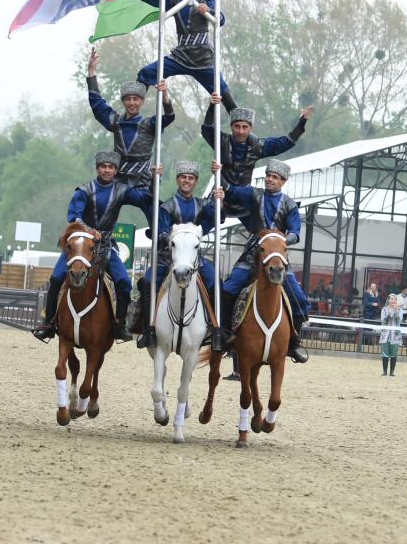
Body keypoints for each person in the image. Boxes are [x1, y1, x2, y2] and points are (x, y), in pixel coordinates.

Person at [32, 151, 144, 343]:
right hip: (79, 246)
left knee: (124, 282)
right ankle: (49, 322)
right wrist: (89, 230)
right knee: (56, 277)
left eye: (110, 167)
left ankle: (120, 323)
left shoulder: (121, 190)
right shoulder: (84, 190)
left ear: (115, 170)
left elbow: (143, 199)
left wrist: (154, 178)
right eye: (103, 166)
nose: (107, 170)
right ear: (97, 168)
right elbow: (74, 216)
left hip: (105, 246)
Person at [106, 0, 240, 111]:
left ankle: (243, 128)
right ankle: (132, 115)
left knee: (223, 92)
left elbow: (221, 20)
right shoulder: (175, 0)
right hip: (180, 56)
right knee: (146, 73)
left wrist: (209, 11)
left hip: (203, 60)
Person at [214, 159, 310, 363]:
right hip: (252, 254)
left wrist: (283, 240)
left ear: (283, 181)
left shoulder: (290, 205)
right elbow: (231, 189)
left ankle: (294, 343)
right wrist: (219, 171)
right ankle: (223, 335)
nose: (270, 180)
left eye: (274, 177)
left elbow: (295, 233)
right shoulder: (254, 194)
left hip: (276, 256)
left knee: (300, 300)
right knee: (227, 290)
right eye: (268, 176)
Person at [128, 160, 220, 351]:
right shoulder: (168, 206)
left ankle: (217, 329)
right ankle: (148, 329)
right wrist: (172, 238)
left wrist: (218, 198)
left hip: (195, 260)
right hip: (168, 258)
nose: (187, 181)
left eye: (191, 178)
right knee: (146, 282)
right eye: (184, 177)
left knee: (216, 282)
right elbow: (161, 231)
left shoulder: (202, 205)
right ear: (178, 180)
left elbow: (213, 219)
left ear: (195, 182)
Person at [202, 96, 312, 219]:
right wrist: (212, 106)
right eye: (237, 126)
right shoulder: (221, 141)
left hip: (244, 199)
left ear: (250, 128)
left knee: (266, 222)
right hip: (220, 194)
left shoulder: (257, 146)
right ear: (231, 126)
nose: (241, 131)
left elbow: (286, 142)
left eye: (245, 127)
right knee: (204, 219)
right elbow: (207, 128)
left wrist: (302, 122)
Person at [85, 47, 174, 188]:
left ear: (142, 101)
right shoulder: (116, 122)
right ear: (123, 101)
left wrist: (165, 97)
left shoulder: (149, 124)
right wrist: (91, 72)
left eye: (135, 99)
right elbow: (97, 104)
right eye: (128, 99)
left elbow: (169, 117)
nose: (132, 103)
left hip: (142, 180)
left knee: (156, 208)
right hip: (118, 180)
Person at [379, 294, 404, 376]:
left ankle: (392, 371)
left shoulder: (400, 310)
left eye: (395, 299)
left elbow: (399, 320)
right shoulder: (384, 309)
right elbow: (383, 320)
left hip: (395, 334)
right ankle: (384, 371)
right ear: (388, 300)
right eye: (392, 299)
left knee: (394, 353)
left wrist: (396, 311)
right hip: (385, 334)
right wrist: (389, 312)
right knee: (385, 353)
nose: (393, 301)